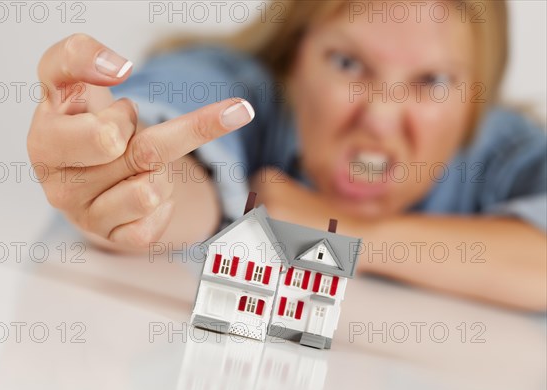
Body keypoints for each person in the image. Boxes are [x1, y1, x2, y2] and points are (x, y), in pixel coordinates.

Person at [27, 0, 546, 310]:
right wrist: (128, 173)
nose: (381, 119)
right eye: (347, 62)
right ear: (293, 57)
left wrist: (327, 227)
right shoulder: (244, 87)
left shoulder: (504, 149)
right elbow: (178, 152)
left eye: (432, 81)